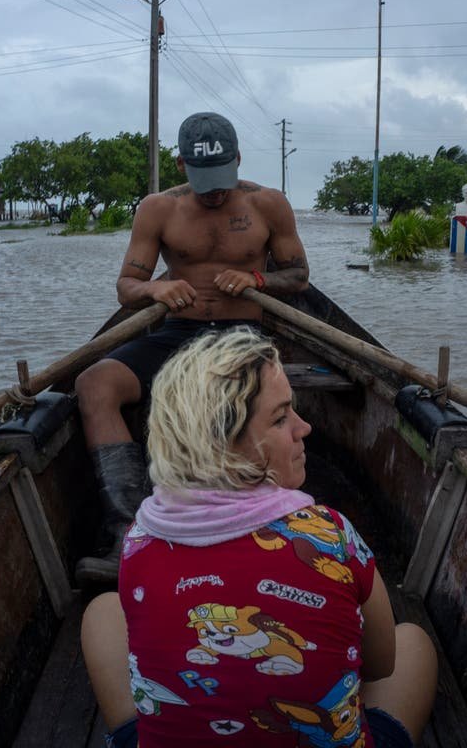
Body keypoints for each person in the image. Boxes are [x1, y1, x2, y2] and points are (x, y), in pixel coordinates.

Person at [81, 328, 438, 747]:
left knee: (103, 613)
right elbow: (379, 665)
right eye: (281, 417)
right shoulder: (330, 535)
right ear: (226, 443)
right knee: (413, 642)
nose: (304, 427)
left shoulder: (140, 539)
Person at [73, 112, 310, 584]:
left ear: (238, 160)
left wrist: (257, 278)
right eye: (203, 181)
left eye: (222, 179)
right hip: (177, 335)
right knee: (93, 384)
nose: (214, 193)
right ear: (181, 165)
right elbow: (126, 286)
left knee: (236, 399)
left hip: (243, 337)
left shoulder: (269, 204)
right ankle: (128, 527)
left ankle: (269, 521)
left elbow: (299, 276)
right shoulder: (157, 209)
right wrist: (155, 291)